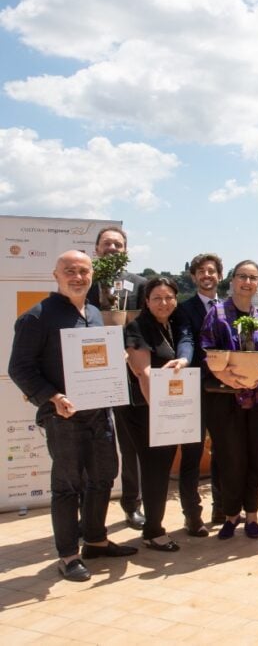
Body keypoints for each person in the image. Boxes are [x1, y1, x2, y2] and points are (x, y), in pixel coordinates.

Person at [8, 251, 137, 581]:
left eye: (83, 271)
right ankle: (67, 555)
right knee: (67, 486)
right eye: (70, 271)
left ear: (92, 274)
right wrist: (53, 397)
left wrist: (115, 356)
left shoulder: (94, 313)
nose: (77, 277)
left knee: (104, 476)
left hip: (98, 412)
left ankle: (94, 539)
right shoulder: (37, 317)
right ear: (56, 275)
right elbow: (19, 368)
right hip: (62, 415)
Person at [200, 260, 258, 540]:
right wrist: (228, 378)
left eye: (253, 277)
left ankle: (252, 515)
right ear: (232, 281)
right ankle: (231, 515)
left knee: (256, 458)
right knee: (230, 460)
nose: (247, 282)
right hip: (227, 400)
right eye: (242, 276)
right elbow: (207, 352)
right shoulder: (216, 314)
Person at [122, 277, 193, 552]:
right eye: (157, 298)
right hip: (145, 410)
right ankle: (153, 531)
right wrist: (163, 415)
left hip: (165, 409)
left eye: (169, 297)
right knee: (154, 469)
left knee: (161, 468)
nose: (164, 303)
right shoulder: (137, 327)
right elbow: (144, 373)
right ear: (146, 301)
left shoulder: (172, 325)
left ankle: (154, 525)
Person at [87, 226, 147, 531]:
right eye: (107, 243)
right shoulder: (83, 283)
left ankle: (132, 505)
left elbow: (146, 328)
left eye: (119, 244)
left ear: (125, 251)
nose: (113, 248)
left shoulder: (139, 285)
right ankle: (89, 515)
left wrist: (129, 347)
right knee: (92, 445)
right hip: (90, 376)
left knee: (131, 445)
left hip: (129, 376)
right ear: (96, 249)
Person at [177, 252, 224, 532]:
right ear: (193, 277)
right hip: (195, 388)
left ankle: (221, 509)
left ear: (219, 275)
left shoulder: (229, 307)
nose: (207, 276)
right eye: (201, 272)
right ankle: (192, 514)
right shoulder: (185, 309)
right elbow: (185, 338)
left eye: (212, 271)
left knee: (223, 451)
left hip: (223, 391)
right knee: (192, 454)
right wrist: (185, 358)